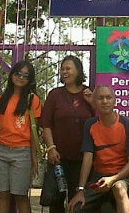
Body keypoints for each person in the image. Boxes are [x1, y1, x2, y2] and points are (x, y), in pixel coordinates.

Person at [68, 85, 129, 213]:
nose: (105, 101)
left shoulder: (127, 124)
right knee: (75, 208)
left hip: (123, 176)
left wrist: (113, 179)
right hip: (99, 177)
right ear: (94, 102)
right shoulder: (90, 124)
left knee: (119, 189)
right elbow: (87, 158)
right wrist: (81, 190)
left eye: (108, 97)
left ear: (114, 100)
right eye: (100, 98)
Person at [0, 60, 41, 213]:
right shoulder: (0, 100)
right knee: (3, 196)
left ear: (29, 79)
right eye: (18, 73)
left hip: (22, 153)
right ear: (12, 75)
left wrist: (34, 158)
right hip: (0, 152)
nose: (21, 77)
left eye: (25, 75)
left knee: (20, 196)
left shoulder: (32, 100)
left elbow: (34, 132)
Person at [40, 55, 94, 213]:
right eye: (62, 69)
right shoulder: (55, 94)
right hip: (59, 159)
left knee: (77, 204)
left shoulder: (88, 93)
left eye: (68, 68)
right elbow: (46, 124)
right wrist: (51, 148)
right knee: (56, 202)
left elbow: (99, 120)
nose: (64, 72)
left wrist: (92, 102)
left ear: (78, 71)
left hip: (82, 160)